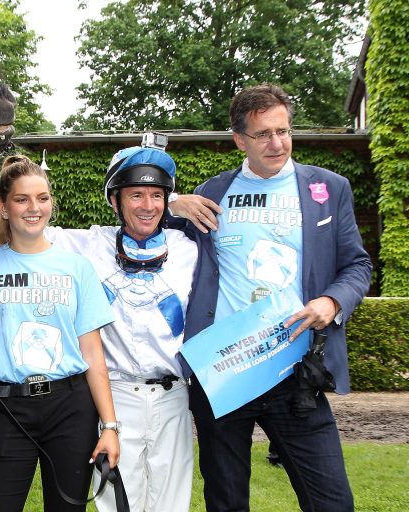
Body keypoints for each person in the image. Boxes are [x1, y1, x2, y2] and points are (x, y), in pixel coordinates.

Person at [173, 84, 372, 512]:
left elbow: (357, 265)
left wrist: (333, 302)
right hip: (224, 370)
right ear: (239, 140)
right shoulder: (213, 192)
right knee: (226, 502)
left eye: (283, 131)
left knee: (332, 501)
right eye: (263, 134)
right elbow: (146, 223)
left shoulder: (328, 188)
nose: (276, 143)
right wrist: (174, 202)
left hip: (295, 369)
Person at [0, 154, 120, 512]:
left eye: (42, 198)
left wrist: (110, 426)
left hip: (71, 407)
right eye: (22, 199)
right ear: (4, 207)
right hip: (10, 407)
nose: (33, 208)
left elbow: (92, 354)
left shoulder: (76, 267)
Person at [45, 138, 198, 511]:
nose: (148, 205)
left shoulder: (188, 247)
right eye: (136, 195)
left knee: (171, 505)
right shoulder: (88, 245)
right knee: (117, 504)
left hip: (173, 396)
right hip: (115, 397)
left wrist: (178, 202)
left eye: (157, 196)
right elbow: (22, 222)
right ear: (115, 201)